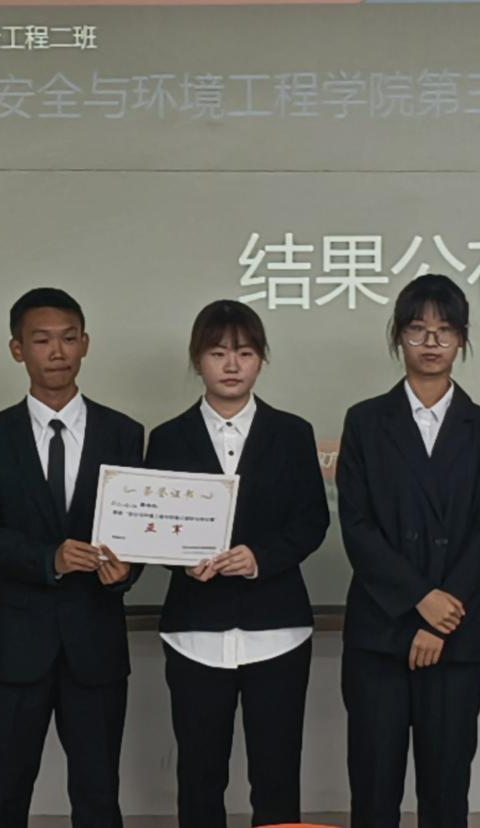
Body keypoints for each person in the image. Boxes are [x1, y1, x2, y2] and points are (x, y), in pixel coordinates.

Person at [0, 287, 143, 828]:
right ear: (17, 349)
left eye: (68, 338)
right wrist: (49, 558)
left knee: (98, 792)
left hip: (95, 639)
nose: (57, 351)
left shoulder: (124, 432)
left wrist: (127, 571)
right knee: (6, 791)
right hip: (16, 642)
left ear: (86, 343)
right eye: (42, 340)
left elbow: (141, 524)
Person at [145, 299, 329, 828]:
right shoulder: (168, 437)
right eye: (218, 352)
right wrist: (181, 561)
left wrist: (260, 558)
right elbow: (150, 523)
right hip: (195, 631)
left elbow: (312, 520)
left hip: (278, 629)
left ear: (261, 359)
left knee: (277, 774)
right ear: (197, 360)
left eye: (245, 353)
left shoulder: (292, 432)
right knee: (200, 775)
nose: (231, 364)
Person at [336, 274, 480, 828]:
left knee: (446, 790)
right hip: (380, 633)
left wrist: (441, 615)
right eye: (417, 329)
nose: (431, 342)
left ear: (462, 339)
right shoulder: (365, 421)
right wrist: (419, 601)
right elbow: (357, 527)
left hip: (456, 636)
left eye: (444, 330)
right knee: (374, 790)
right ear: (398, 336)